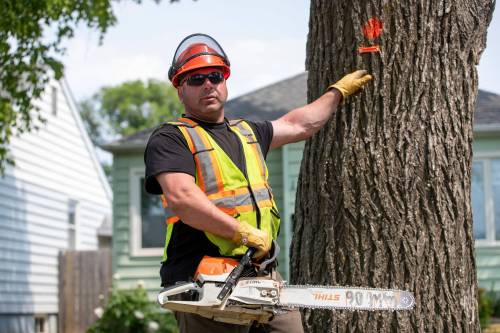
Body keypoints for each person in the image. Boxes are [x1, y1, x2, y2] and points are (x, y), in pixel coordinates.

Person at [144, 33, 372, 333]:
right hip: (204, 278)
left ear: (225, 81)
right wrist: (240, 232)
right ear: (180, 90)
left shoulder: (247, 132)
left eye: (215, 76)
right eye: (196, 79)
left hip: (259, 273)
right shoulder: (172, 138)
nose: (208, 84)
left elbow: (297, 124)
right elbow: (183, 198)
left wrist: (338, 92)